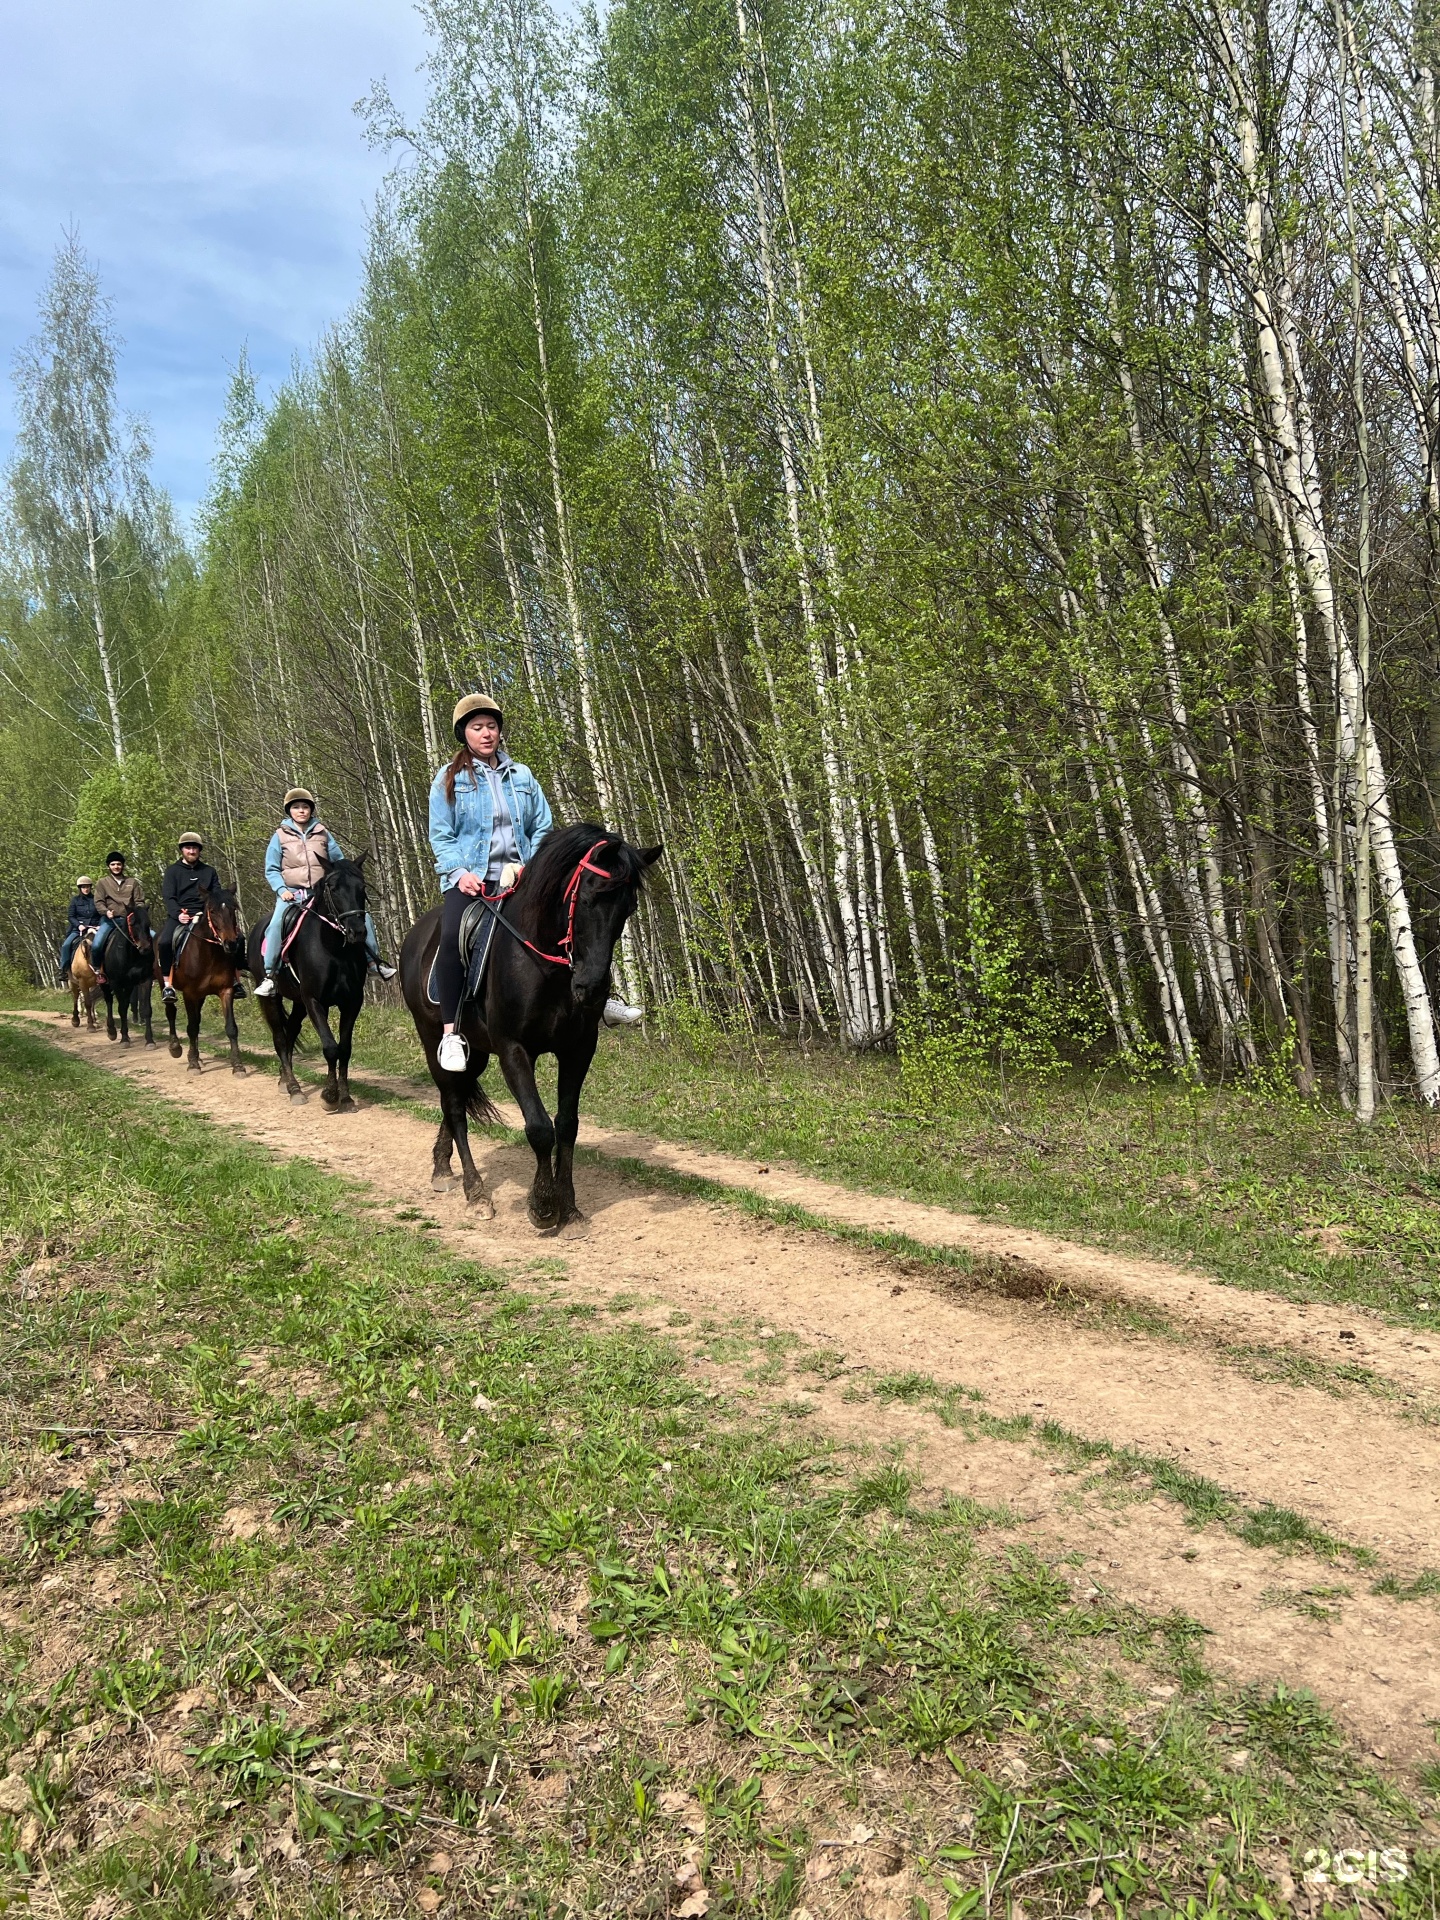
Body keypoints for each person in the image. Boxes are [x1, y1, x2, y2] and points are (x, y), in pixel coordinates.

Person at [427, 692, 641, 1074]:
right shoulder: (449, 779)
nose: (486, 733)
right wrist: (461, 874)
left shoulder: (522, 776)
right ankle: (451, 1032)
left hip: (522, 876)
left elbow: (542, 826)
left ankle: (600, 1000)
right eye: (477, 728)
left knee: (574, 920)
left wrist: (529, 867)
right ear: (464, 734)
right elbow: (441, 835)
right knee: (452, 937)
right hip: (472, 880)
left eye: (491, 726)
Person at [254, 788, 396, 998]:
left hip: (321, 892)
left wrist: (347, 876)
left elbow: (338, 861)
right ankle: (270, 975)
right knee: (275, 925)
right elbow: (271, 868)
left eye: (305, 807)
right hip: (291, 894)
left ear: (311, 810)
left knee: (362, 918)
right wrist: (281, 890)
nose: (301, 811)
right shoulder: (280, 836)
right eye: (296, 807)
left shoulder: (322, 832)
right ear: (289, 811)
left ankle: (373, 963)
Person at [158, 833, 227, 1002]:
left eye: (195, 848)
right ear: (182, 850)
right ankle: (168, 985)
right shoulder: (172, 871)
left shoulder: (209, 871)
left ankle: (235, 978)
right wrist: (178, 914)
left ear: (199, 851)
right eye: (188, 848)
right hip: (180, 915)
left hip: (206, 915)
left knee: (235, 937)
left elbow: (216, 894)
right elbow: (169, 897)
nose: (191, 851)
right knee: (164, 942)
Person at [90, 851, 147, 982]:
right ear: (109, 866)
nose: (116, 867)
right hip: (110, 920)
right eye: (113, 864)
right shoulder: (102, 883)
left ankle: (154, 968)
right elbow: (98, 901)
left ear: (123, 866)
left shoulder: (132, 882)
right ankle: (99, 970)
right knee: (97, 944)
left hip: (131, 920)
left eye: (119, 864)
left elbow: (139, 901)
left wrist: (137, 912)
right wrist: (106, 911)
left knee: (154, 937)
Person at [60, 876, 100, 982]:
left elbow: (101, 913)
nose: (86, 889)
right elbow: (71, 916)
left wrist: (99, 924)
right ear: (80, 888)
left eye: (87, 887)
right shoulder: (75, 900)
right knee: (66, 945)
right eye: (83, 887)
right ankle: (64, 970)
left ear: (90, 887)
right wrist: (78, 925)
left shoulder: (96, 899)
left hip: (95, 927)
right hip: (78, 929)